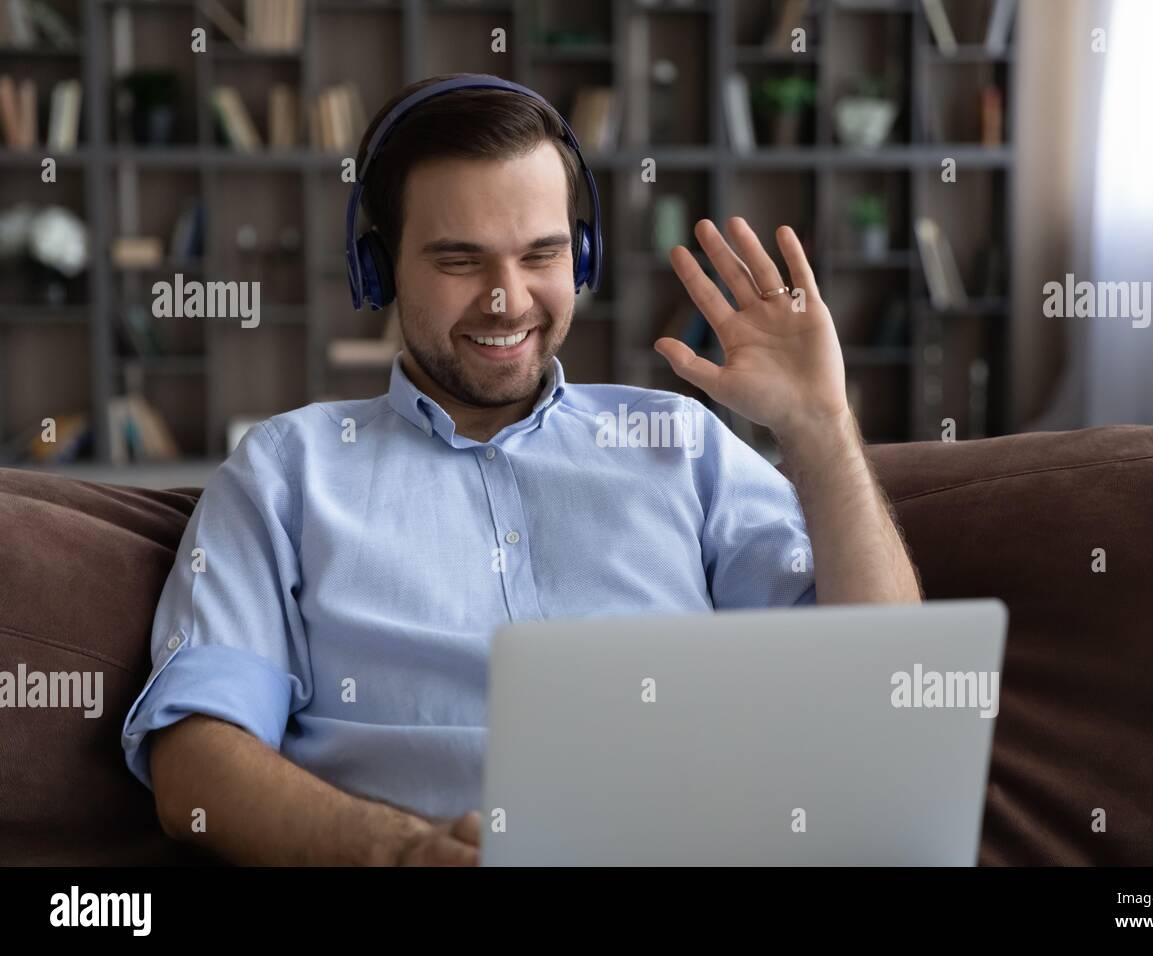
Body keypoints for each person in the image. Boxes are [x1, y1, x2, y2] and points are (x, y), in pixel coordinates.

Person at [121, 73, 922, 867]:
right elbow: (195, 763)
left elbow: (883, 692)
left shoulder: (679, 443)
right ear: (378, 268)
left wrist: (820, 428)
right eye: (459, 261)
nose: (507, 300)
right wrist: (403, 851)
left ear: (582, 256)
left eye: (540, 254)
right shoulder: (286, 472)